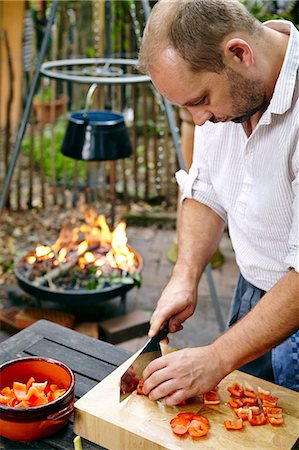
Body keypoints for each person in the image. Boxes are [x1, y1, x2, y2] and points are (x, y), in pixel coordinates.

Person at [137, 0, 299, 406]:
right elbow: (205, 190)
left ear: (239, 54)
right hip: (252, 296)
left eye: (200, 99)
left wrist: (216, 357)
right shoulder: (226, 99)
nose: (199, 120)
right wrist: (184, 275)